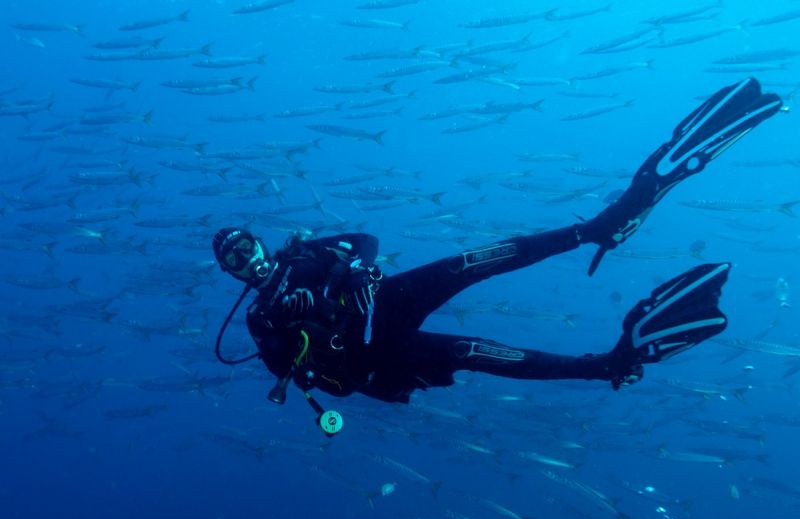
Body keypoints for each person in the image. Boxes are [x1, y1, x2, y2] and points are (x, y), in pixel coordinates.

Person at [212, 78, 784, 413]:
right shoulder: (262, 321)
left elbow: (364, 238)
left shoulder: (300, 254)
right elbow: (323, 388)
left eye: (245, 244)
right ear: (231, 273)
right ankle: (606, 364)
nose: (246, 257)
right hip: (374, 353)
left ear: (258, 240)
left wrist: (357, 268)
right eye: (233, 258)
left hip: (385, 298)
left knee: (473, 261)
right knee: (477, 351)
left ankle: (601, 226)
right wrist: (308, 330)